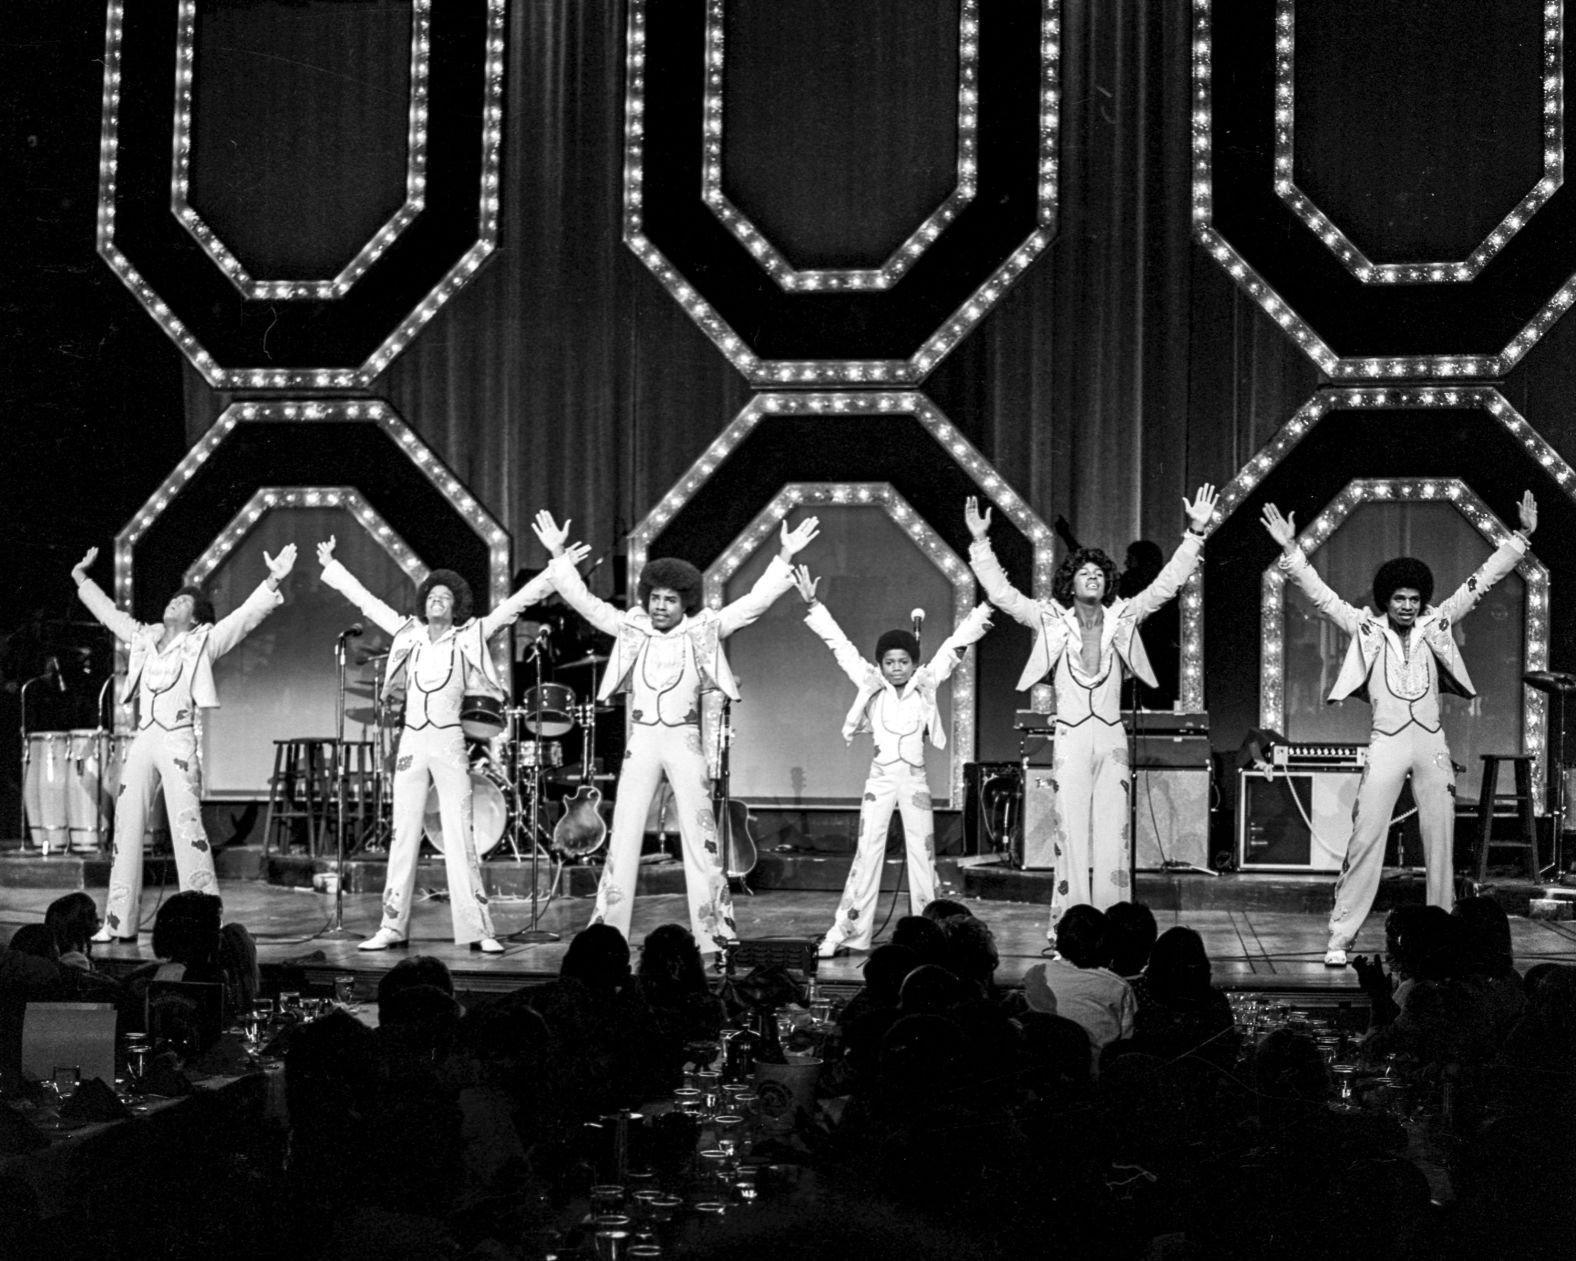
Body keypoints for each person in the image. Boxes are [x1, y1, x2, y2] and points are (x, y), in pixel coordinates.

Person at [1261, 491, 1537, 965]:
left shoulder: (1438, 623)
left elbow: (1481, 582)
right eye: (1399, 599)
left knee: (1440, 838)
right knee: (1366, 836)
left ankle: (1444, 934)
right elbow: (1322, 597)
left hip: (1430, 742)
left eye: (1413, 599)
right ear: (1386, 600)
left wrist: (1521, 539)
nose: (1407, 606)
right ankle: (1340, 936)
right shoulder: (1366, 629)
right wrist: (1291, 552)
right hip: (1387, 742)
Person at [532, 509, 820, 950]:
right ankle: (606, 933)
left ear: (685, 601)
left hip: (685, 741)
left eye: (669, 599)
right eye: (655, 597)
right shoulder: (631, 628)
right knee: (625, 833)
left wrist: (783, 554)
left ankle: (714, 932)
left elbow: (755, 603)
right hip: (643, 739)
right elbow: (585, 603)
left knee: (701, 837)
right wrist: (557, 554)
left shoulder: (704, 630)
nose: (659, 606)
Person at [966, 486, 1218, 927]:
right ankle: (1070, 923)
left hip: (1112, 735)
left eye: (1099, 573)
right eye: (1084, 573)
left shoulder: (1123, 617)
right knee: (1071, 833)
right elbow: (1004, 596)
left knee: (1113, 834)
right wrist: (981, 544)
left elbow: (1166, 586)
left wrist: (1195, 532)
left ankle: (1111, 922)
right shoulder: (1050, 618)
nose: (1093, 577)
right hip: (1072, 735)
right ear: (1070, 581)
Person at [317, 535, 583, 952]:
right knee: (403, 834)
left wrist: (556, 567)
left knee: (459, 833)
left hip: (448, 743)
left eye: (445, 597)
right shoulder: (408, 634)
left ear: (455, 605)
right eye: (432, 596)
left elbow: (516, 604)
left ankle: (479, 929)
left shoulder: (470, 636)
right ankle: (391, 926)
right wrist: (333, 567)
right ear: (424, 604)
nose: (437, 601)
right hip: (411, 742)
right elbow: (367, 602)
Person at [72, 542, 297, 941]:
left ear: (195, 618)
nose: (173, 604)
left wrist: (273, 579)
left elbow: (243, 619)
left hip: (177, 742)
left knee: (187, 829)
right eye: (173, 599)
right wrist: (82, 578)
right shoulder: (143, 638)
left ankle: (204, 920)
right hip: (144, 740)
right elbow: (110, 615)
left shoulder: (202, 642)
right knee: (126, 828)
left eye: (182, 603)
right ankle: (117, 922)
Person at [791, 565, 992, 956]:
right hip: (879, 780)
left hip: (915, 783)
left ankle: (933, 935)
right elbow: (840, 645)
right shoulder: (869, 683)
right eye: (889, 662)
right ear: (880, 664)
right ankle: (850, 932)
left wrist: (985, 608)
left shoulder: (926, 683)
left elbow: (954, 646)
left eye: (903, 662)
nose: (896, 668)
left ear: (913, 664)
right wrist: (813, 604)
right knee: (867, 855)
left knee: (923, 857)